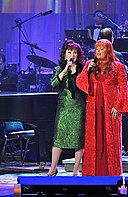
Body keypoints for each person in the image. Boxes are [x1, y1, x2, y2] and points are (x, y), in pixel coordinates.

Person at [76, 39, 128, 176]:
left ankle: (111, 172)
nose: (98, 52)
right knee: (93, 139)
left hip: (111, 109)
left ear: (108, 50)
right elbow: (80, 84)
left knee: (110, 139)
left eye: (101, 49)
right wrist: (86, 71)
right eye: (97, 49)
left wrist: (118, 106)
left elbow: (123, 88)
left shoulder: (118, 67)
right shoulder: (90, 64)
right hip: (93, 108)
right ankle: (91, 173)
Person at [48, 40, 87, 176]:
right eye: (70, 52)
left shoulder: (83, 69)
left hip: (79, 106)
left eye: (75, 52)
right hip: (64, 106)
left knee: (78, 138)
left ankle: (76, 170)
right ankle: (52, 168)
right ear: (65, 54)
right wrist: (65, 70)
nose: (72, 54)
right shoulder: (59, 69)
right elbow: (54, 84)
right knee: (59, 137)